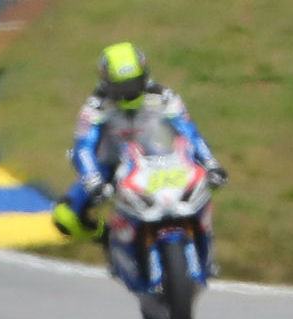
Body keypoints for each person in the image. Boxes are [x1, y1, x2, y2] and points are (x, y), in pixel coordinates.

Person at [51, 43, 228, 274]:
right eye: (121, 87)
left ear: (144, 76)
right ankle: (109, 237)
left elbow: (189, 132)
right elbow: (84, 147)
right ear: (107, 83)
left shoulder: (163, 97)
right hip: (112, 164)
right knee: (65, 217)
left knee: (204, 187)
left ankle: (204, 252)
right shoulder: (95, 107)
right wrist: (93, 180)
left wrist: (211, 164)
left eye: (133, 84)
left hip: (162, 157)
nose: (128, 92)